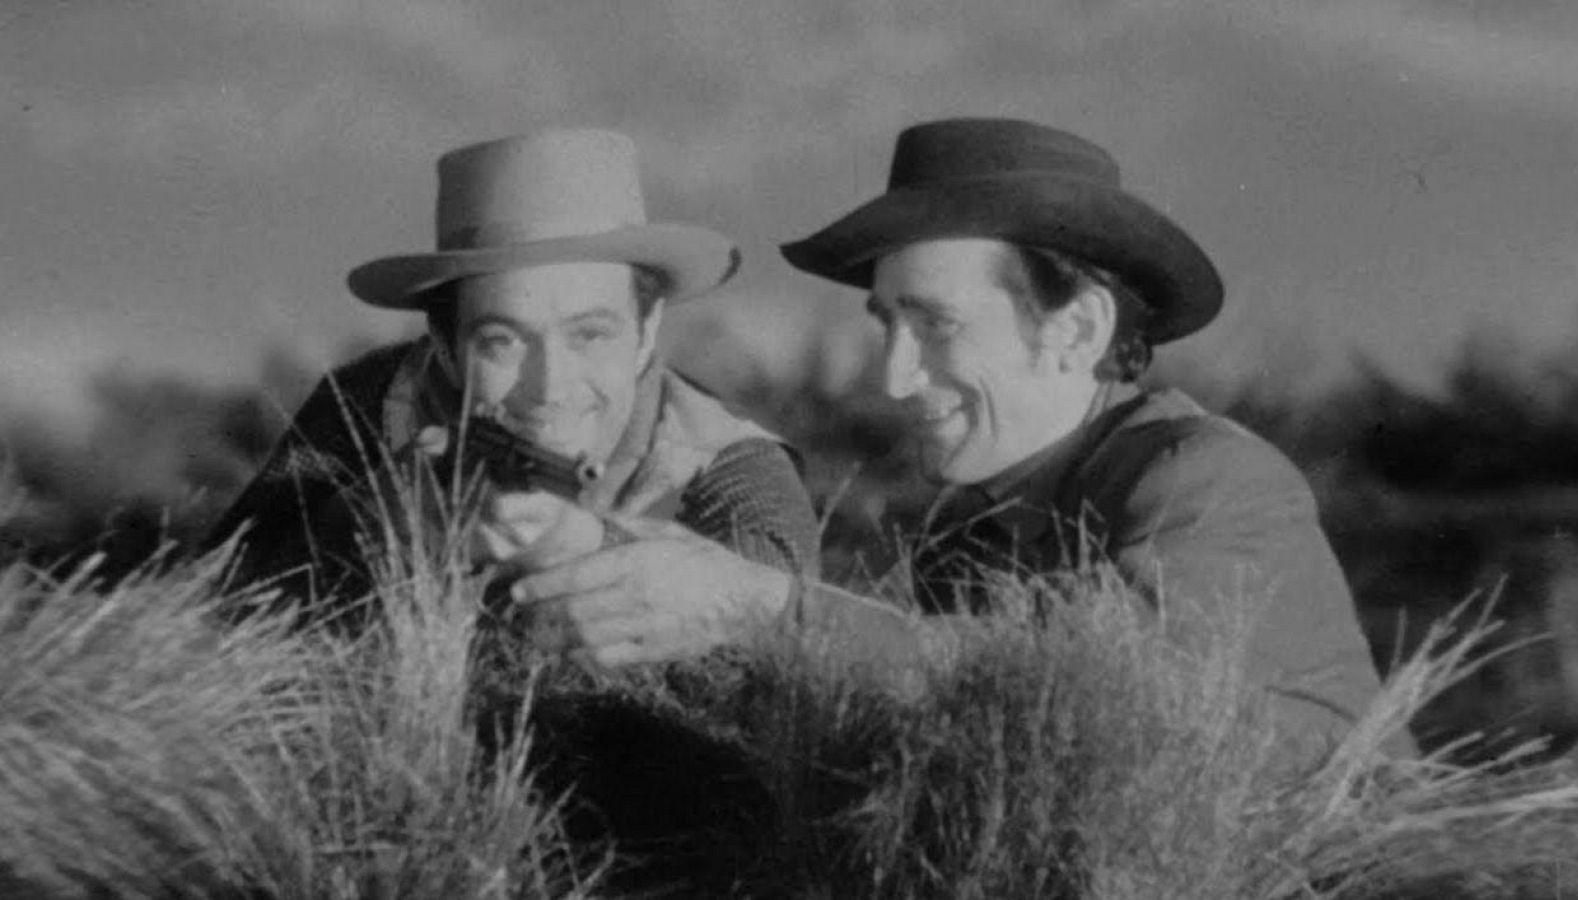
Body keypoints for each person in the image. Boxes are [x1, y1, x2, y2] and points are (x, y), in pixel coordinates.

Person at [525, 118, 1392, 755]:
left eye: (936, 325)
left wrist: (749, 604)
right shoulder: (964, 537)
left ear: (1079, 327)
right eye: (885, 325)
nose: (896, 377)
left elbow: (1100, 688)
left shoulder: (1212, 479)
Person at [209, 127, 819, 656]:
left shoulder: (733, 465)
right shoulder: (371, 399)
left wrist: (593, 550)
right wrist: (376, 528)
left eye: (589, 336)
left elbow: (791, 616)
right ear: (445, 346)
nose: (549, 387)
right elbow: (215, 600)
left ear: (648, 329)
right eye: (503, 341)